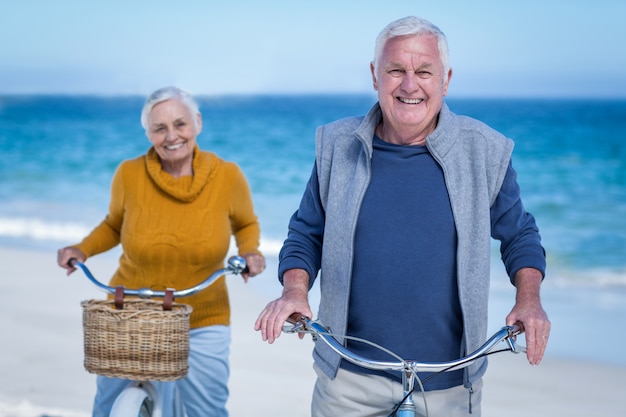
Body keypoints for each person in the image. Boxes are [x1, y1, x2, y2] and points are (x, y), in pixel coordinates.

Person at [255, 16, 550, 417]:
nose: (410, 85)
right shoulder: (336, 145)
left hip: (450, 381)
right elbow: (306, 234)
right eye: (396, 70)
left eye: (423, 71)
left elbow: (520, 236)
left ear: (445, 79)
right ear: (376, 75)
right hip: (348, 379)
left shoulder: (484, 150)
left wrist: (528, 300)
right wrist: (294, 290)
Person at [57, 86, 266, 417]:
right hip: (129, 311)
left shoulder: (227, 176)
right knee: (107, 407)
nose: (172, 136)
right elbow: (114, 225)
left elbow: (245, 223)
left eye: (180, 124)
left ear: (197, 122)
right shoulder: (129, 173)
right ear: (148, 133)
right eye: (160, 128)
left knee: (206, 410)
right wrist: (81, 250)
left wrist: (250, 252)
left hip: (203, 316)